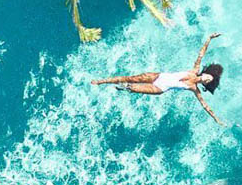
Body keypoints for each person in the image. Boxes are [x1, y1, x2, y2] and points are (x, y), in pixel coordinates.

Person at [93, 33, 225, 125]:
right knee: (130, 78)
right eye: (208, 76)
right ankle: (101, 81)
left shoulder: (194, 89)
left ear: (206, 84)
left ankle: (122, 88)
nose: (206, 79)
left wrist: (216, 119)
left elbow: (205, 106)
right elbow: (201, 54)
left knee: (130, 87)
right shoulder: (194, 71)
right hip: (158, 76)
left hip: (159, 88)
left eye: (208, 81)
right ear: (206, 73)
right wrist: (209, 39)